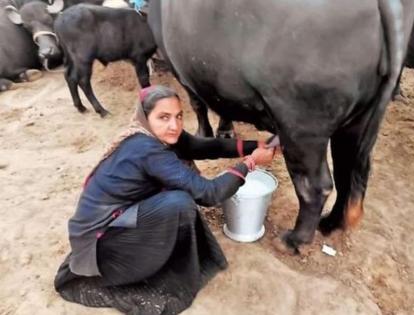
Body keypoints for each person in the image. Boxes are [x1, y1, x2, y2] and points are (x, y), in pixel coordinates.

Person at [54, 85, 276, 314]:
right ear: (145, 116)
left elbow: (204, 146)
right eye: (164, 117)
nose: (175, 125)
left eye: (179, 116)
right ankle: (136, 266)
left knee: (177, 200)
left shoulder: (152, 135)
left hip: (112, 223)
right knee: (179, 203)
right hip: (101, 247)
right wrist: (250, 162)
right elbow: (210, 194)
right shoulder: (147, 149)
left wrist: (254, 146)